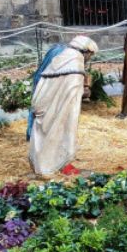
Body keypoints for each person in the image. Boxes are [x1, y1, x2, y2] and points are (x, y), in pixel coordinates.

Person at [27, 35, 98, 177]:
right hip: (61, 109)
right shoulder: (76, 61)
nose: (89, 58)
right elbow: (72, 92)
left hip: (44, 104)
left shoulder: (60, 57)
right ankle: (54, 166)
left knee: (44, 135)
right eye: (91, 55)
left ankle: (42, 166)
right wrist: (85, 91)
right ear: (87, 51)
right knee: (59, 133)